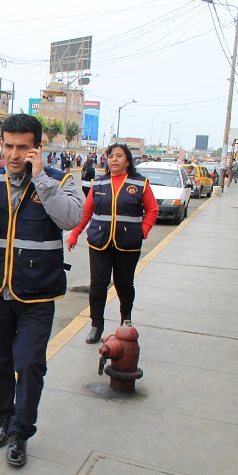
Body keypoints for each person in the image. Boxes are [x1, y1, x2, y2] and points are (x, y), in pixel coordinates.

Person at [0, 113, 83, 468]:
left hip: (38, 295)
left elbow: (72, 219)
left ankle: (21, 433)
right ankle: (3, 418)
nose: (14, 154)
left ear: (36, 148)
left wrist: (41, 178)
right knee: (0, 362)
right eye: (8, 146)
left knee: (29, 364)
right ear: (1, 145)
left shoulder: (61, 180)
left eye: (22, 147)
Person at [66, 143, 159, 345]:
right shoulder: (98, 184)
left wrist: (142, 231)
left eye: (119, 156)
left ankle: (126, 320)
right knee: (97, 285)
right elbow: (87, 212)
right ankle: (96, 325)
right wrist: (75, 234)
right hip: (100, 242)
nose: (114, 159)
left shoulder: (140, 184)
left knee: (124, 284)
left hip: (128, 244)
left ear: (127, 160)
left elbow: (152, 210)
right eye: (111, 156)